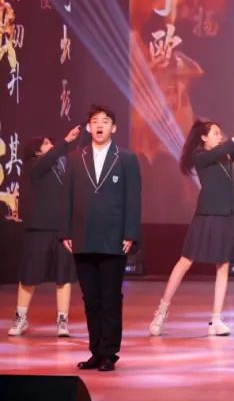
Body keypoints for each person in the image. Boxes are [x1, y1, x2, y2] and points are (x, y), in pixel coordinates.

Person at [149, 92, 234, 337]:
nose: (220, 136)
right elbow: (231, 144)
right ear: (204, 137)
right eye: (216, 133)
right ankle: (161, 311)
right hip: (207, 215)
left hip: (226, 214)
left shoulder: (226, 156)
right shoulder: (201, 156)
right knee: (185, 261)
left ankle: (216, 319)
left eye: (220, 133)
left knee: (223, 265)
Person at [61, 105, 142, 372]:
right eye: (95, 121)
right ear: (88, 127)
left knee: (110, 298)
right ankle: (96, 351)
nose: (99, 125)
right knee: (91, 299)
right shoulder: (76, 158)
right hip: (83, 237)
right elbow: (67, 197)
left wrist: (130, 233)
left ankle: (109, 352)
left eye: (105, 121)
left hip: (114, 238)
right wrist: (65, 232)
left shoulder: (126, 158)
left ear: (113, 128)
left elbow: (133, 198)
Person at [8, 126, 82, 337]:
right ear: (37, 151)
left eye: (51, 143)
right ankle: (21, 317)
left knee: (64, 276)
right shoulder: (34, 166)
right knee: (29, 275)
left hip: (62, 229)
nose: (51, 146)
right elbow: (49, 159)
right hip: (38, 228)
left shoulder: (64, 165)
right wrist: (66, 141)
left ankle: (62, 320)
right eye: (46, 144)